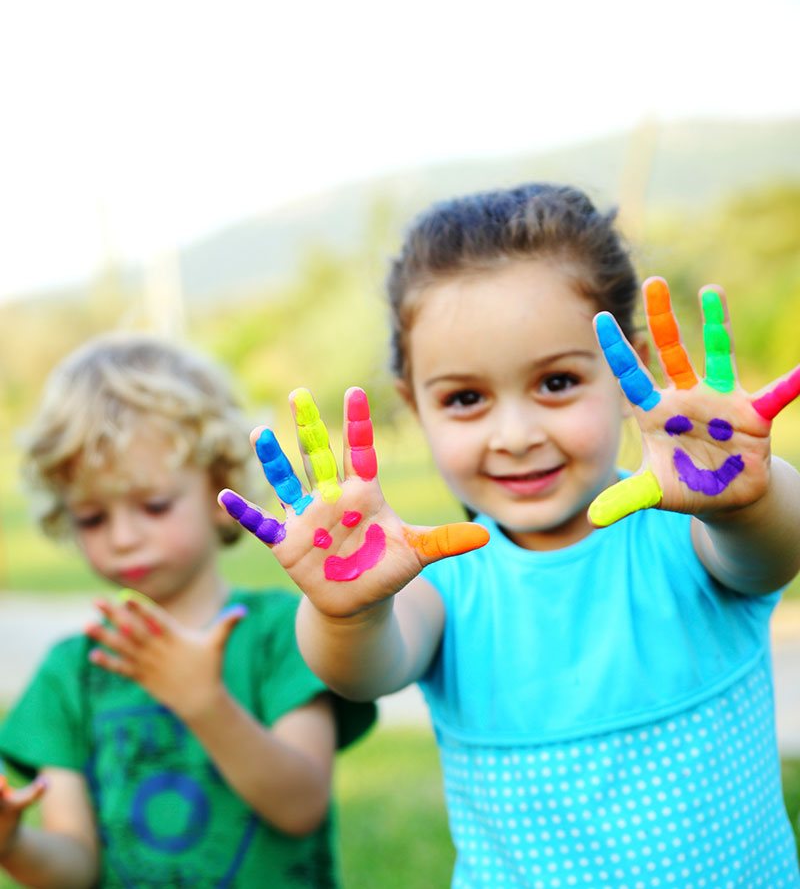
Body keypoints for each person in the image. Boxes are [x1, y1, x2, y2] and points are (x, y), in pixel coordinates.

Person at [220, 182, 800, 886]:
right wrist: (350, 607)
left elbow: (774, 550)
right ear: (414, 405)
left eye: (556, 383)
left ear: (630, 371)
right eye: (465, 399)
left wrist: (745, 498)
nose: (516, 435)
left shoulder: (690, 537)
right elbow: (363, 668)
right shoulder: (441, 584)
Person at [0, 333, 374, 888]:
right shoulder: (69, 675)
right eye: (91, 518)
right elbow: (75, 869)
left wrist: (203, 702)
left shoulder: (284, 633)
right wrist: (13, 843)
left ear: (220, 489)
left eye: (153, 505)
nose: (123, 537)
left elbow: (301, 806)